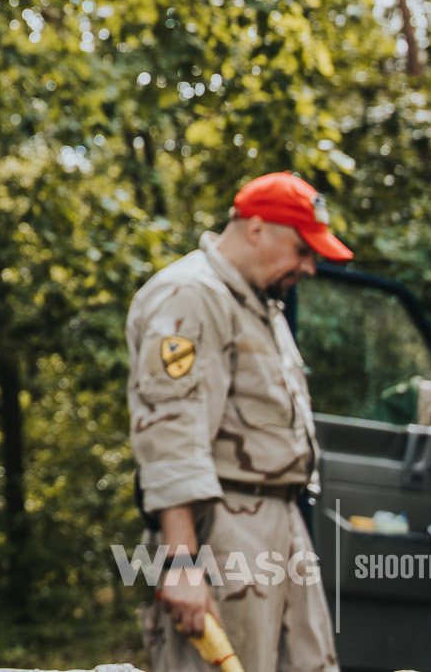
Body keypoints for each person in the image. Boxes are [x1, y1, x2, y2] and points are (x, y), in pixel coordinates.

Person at [125, 172, 349, 672]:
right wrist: (182, 563)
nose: (309, 267)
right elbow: (170, 435)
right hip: (223, 532)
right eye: (302, 249)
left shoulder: (257, 303)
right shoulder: (191, 295)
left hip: (279, 524)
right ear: (256, 229)